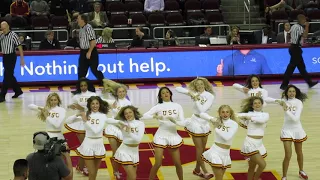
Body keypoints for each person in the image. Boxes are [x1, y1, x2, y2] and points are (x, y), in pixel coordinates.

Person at [73, 96, 126, 180]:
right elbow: (68, 121)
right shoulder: (86, 114)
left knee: (94, 173)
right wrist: (77, 115)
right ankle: (80, 167)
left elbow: (103, 125)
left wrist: (119, 122)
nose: (95, 105)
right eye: (93, 104)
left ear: (99, 104)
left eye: (97, 103)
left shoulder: (102, 116)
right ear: (89, 105)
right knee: (92, 172)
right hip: (88, 144)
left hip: (99, 145)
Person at [141, 87, 185, 180]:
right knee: (158, 163)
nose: (166, 94)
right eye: (163, 93)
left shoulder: (177, 106)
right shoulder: (158, 107)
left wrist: (175, 121)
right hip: (161, 136)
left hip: (173, 135)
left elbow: (182, 122)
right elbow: (144, 116)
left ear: (170, 94)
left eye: (167, 92)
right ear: (160, 96)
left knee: (177, 163)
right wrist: (154, 116)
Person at [175, 77, 214, 179]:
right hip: (195, 122)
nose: (199, 86)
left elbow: (202, 110)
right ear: (195, 86)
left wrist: (196, 99)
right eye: (197, 85)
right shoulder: (195, 93)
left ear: (205, 84)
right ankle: (204, 171)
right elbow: (177, 88)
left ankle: (197, 170)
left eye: (201, 84)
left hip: (204, 123)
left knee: (202, 149)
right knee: (199, 149)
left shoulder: (210, 96)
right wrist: (191, 93)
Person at [268, 85, 309, 180]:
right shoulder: (284, 102)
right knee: (288, 155)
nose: (291, 93)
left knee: (299, 152)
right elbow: (269, 99)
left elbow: (295, 119)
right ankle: (284, 176)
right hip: (286, 130)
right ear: (286, 93)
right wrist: (260, 96)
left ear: (296, 92)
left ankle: (301, 171)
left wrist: (286, 110)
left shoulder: (299, 103)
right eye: (289, 91)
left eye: (293, 91)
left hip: (297, 129)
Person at [65, 78, 96, 176]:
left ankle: (80, 166)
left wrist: (83, 108)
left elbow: (96, 107)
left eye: (85, 85)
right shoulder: (76, 96)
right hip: (79, 123)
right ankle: (85, 167)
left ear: (88, 85)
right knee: (85, 146)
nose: (83, 87)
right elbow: (70, 105)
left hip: (91, 121)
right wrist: (71, 106)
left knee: (88, 146)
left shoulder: (93, 95)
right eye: (81, 86)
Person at [102, 78, 132, 179]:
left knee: (118, 152)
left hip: (122, 129)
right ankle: (115, 171)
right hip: (113, 128)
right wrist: (104, 89)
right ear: (117, 93)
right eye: (120, 92)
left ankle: (116, 168)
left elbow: (130, 117)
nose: (122, 93)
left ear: (126, 92)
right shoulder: (113, 102)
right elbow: (101, 99)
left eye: (123, 91)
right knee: (115, 151)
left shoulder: (128, 103)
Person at [199, 105, 238, 180]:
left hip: (226, 153)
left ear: (230, 113)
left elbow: (227, 137)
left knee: (220, 177)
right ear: (219, 113)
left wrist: (216, 127)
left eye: (227, 112)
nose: (225, 114)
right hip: (215, 152)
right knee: (219, 177)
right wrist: (212, 119)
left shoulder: (234, 124)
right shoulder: (217, 120)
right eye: (223, 112)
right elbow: (202, 114)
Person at [280, 14, 318, 90]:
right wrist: (307, 27)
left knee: (301, 68)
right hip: (296, 49)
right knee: (291, 67)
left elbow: (289, 34)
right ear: (300, 20)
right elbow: (305, 36)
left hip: (293, 47)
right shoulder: (300, 27)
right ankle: (284, 85)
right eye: (304, 19)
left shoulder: (293, 26)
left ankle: (309, 83)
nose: (305, 21)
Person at [237, 96, 269, 180]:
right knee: (262, 164)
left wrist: (250, 118)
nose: (257, 104)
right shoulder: (249, 114)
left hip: (259, 143)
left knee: (252, 166)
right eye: (255, 103)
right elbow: (237, 115)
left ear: (262, 104)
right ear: (252, 105)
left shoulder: (265, 115)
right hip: (250, 143)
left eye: (259, 103)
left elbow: (262, 120)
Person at [113, 106, 145, 180]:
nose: (128, 114)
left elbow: (138, 140)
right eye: (126, 113)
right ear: (124, 115)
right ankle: (115, 171)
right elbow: (108, 120)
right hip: (124, 151)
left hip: (135, 152)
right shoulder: (123, 123)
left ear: (134, 113)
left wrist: (129, 132)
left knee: (131, 177)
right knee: (133, 177)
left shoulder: (140, 124)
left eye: (130, 112)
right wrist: (118, 121)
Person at [0, 21, 25, 103]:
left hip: (11, 56)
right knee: (9, 75)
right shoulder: (1, 35)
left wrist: (22, 59)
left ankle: (2, 95)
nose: (3, 30)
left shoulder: (13, 35)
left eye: (4, 28)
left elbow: (19, 46)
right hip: (5, 56)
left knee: (7, 75)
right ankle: (18, 90)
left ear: (8, 27)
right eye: (1, 28)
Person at [77, 14, 104, 84]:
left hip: (91, 51)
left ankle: (103, 83)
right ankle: (79, 88)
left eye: (78, 18)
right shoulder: (81, 28)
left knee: (94, 69)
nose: (77, 20)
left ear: (83, 20)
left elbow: (93, 41)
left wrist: (89, 52)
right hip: (83, 52)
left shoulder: (88, 28)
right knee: (81, 71)